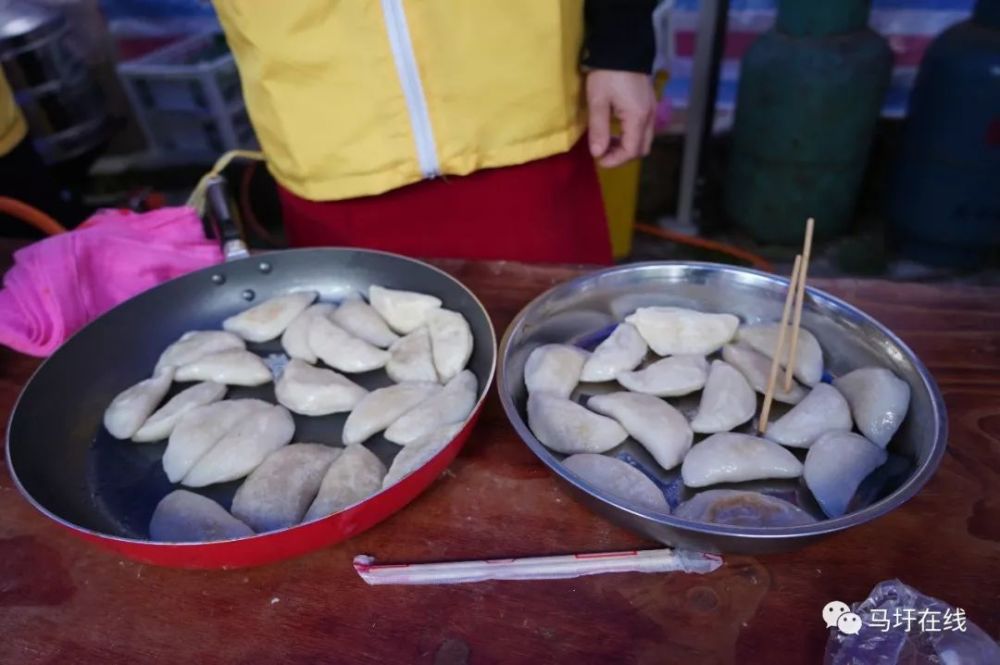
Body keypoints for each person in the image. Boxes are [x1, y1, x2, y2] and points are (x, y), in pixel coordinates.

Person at [213, 0, 657, 263]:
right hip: (326, 132)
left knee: (566, 358)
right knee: (362, 386)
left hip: (523, 112)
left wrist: (620, 45)